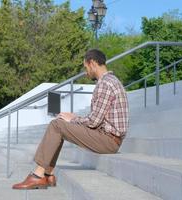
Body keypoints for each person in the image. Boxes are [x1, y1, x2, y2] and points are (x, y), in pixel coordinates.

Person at [12, 49, 129, 189]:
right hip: (108, 138)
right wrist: (75, 118)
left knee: (57, 125)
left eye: (86, 67)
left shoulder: (105, 84)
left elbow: (94, 122)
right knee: (59, 124)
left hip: (108, 141)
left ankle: (38, 175)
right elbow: (97, 120)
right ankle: (48, 175)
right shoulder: (111, 81)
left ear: (92, 63)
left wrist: (72, 120)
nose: (86, 72)